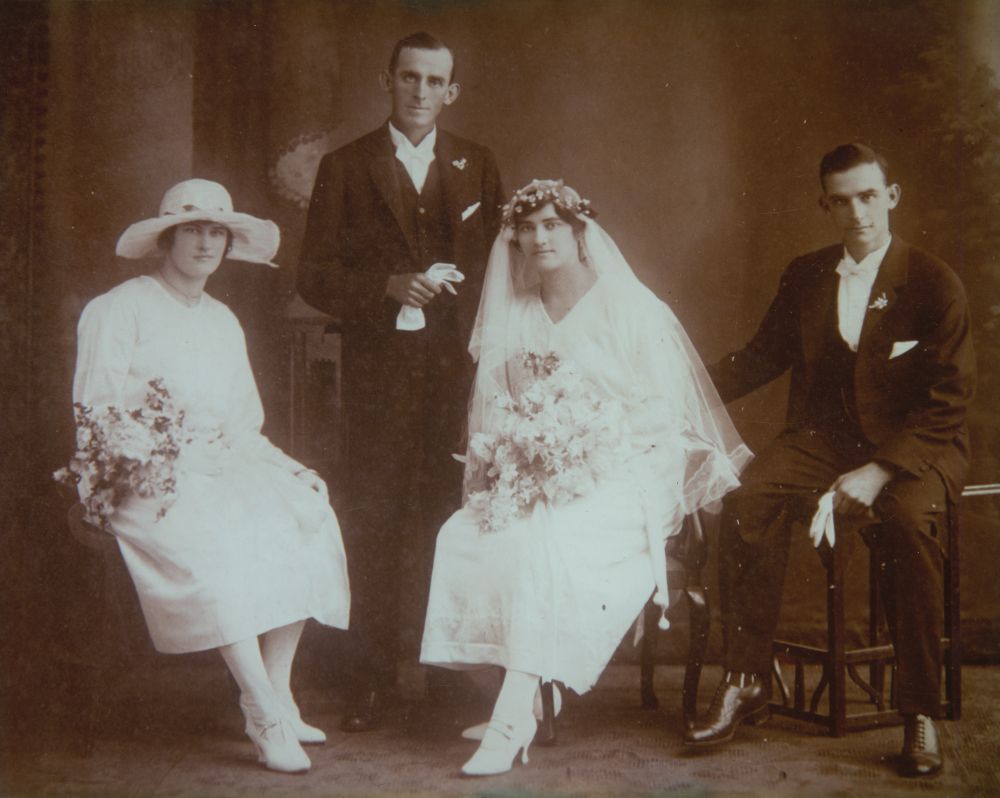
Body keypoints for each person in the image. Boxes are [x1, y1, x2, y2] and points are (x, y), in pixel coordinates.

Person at [418, 179, 752, 776]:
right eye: (529, 228)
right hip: (543, 464)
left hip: (631, 467)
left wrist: (586, 451)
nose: (540, 237)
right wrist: (520, 458)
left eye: (553, 225)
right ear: (515, 240)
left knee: (550, 542)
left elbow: (661, 412)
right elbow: (497, 409)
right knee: (463, 537)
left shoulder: (630, 305)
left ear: (579, 234)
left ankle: (511, 719)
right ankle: (532, 698)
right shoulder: (516, 313)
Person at [684, 143, 976, 778]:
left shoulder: (932, 281)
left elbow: (948, 401)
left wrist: (880, 471)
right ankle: (746, 679)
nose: (857, 213)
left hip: (918, 445)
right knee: (747, 499)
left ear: (891, 197)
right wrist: (677, 383)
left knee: (902, 522)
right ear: (825, 206)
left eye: (868, 197)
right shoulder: (807, 274)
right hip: (826, 438)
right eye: (841, 201)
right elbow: (760, 357)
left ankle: (918, 711)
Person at [70, 179, 351, 774]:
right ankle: (260, 712)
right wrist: (158, 456)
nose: (205, 242)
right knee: (221, 538)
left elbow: (242, 423)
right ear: (168, 238)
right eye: (193, 230)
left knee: (306, 514)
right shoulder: (119, 308)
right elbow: (96, 414)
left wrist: (286, 468)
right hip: (139, 474)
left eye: (216, 231)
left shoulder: (223, 319)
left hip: (218, 462)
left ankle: (279, 691)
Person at [297, 31, 505, 732]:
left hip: (456, 373)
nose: (420, 92)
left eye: (434, 80)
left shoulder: (476, 164)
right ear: (388, 81)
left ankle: (446, 674)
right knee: (376, 516)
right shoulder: (347, 165)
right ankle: (371, 678)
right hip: (380, 373)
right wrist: (388, 285)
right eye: (409, 77)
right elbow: (314, 275)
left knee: (448, 517)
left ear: (452, 91)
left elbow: (500, 273)